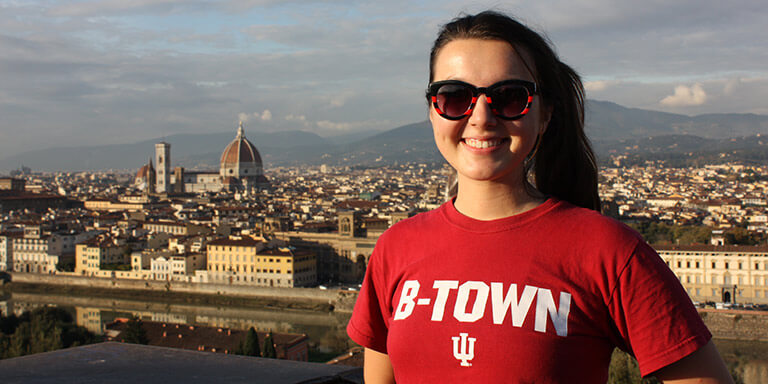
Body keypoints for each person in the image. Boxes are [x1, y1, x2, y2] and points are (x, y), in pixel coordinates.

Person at [347, 10, 734, 384]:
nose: (481, 116)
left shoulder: (608, 252)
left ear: (545, 114)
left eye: (510, 97)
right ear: (433, 111)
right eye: (454, 96)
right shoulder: (395, 248)